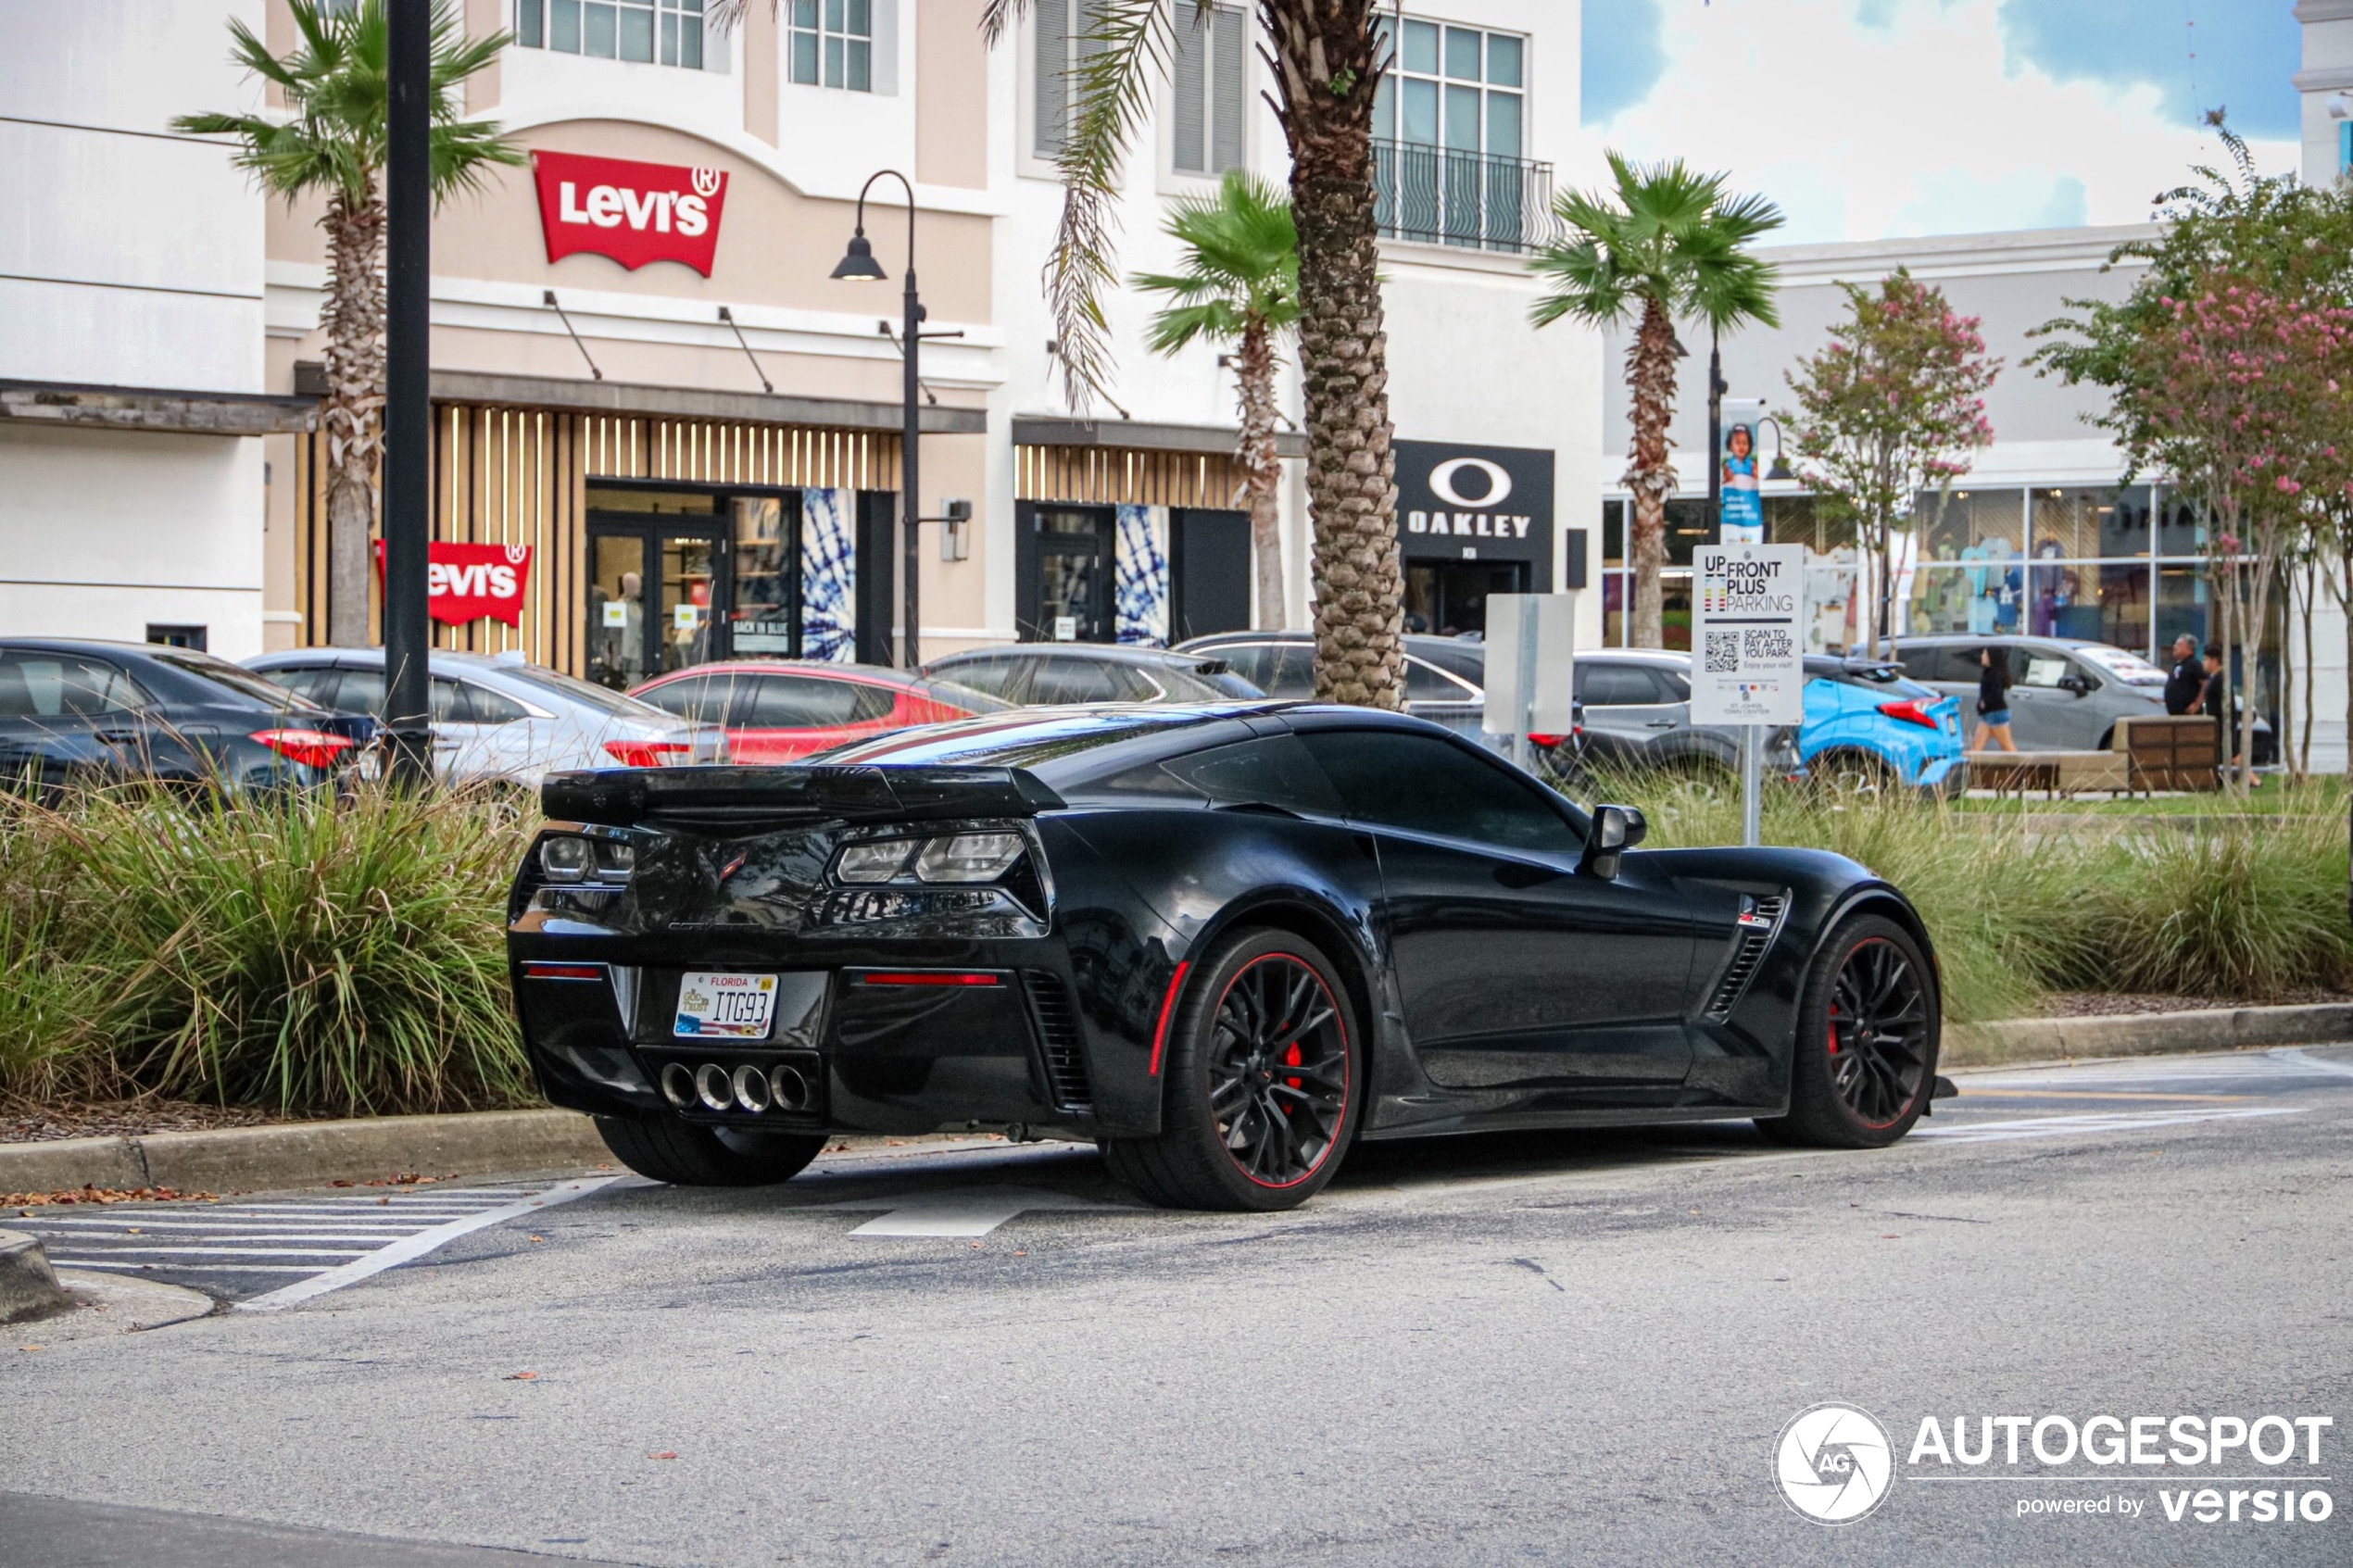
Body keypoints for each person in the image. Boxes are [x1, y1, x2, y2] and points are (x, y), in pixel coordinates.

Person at [2202, 642, 2260, 787]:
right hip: (2217, 724)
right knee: (2229, 754)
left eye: (2206, 659)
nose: (2204, 663)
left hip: (2224, 724)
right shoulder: (2214, 678)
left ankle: (2253, 780)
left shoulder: (2220, 679)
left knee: (2235, 755)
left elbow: (2227, 704)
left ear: (2214, 661)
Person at [1972, 646, 2017, 753]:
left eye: (1984, 654)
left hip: (1996, 713)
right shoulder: (1989, 672)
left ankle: (2022, 768)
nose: (1982, 656)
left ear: (1991, 657)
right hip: (1989, 714)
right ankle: (1971, 768)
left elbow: (1995, 694)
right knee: (1977, 747)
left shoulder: (1995, 674)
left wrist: (1984, 703)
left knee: (2007, 746)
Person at [2164, 633, 2203, 716]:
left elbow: (2206, 683)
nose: (2175, 647)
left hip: (2188, 714)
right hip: (2175, 713)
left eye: (2179, 644)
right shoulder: (2179, 665)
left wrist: (2197, 704)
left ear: (2189, 648)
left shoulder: (2194, 664)